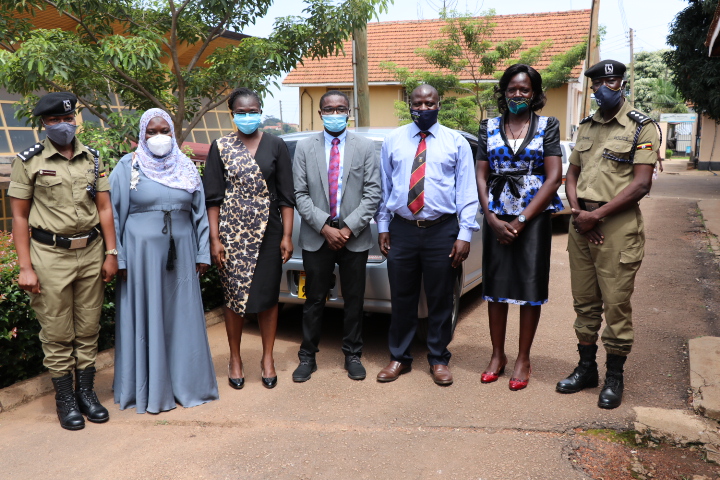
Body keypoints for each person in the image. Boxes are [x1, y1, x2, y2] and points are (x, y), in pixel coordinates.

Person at [9, 92, 118, 430]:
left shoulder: (94, 159)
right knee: (56, 331)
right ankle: (65, 399)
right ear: (44, 124)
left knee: (88, 328)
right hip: (49, 255)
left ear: (75, 120)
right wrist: (26, 267)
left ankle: (86, 394)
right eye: (53, 120)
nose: (61, 125)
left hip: (91, 253)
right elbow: (19, 218)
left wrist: (112, 253)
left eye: (66, 119)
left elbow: (104, 209)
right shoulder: (28, 160)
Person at [555, 60, 659, 409]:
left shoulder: (641, 127)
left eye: (610, 81)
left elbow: (641, 183)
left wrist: (596, 215)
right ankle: (587, 369)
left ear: (622, 84)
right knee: (584, 302)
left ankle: (614, 376)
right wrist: (578, 212)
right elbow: (571, 174)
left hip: (616, 226)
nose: (603, 87)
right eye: (597, 82)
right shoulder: (586, 126)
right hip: (582, 220)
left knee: (615, 304)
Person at [111, 108, 218, 413]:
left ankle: (187, 386)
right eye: (151, 131)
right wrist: (118, 257)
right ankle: (147, 389)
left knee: (181, 318)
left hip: (182, 254)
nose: (159, 137)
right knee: (146, 317)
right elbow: (113, 215)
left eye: (164, 131)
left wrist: (202, 253)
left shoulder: (186, 168)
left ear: (173, 132)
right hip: (140, 258)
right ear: (142, 135)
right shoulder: (126, 166)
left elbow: (200, 214)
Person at [376, 84, 479, 386]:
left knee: (440, 299)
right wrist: (383, 226)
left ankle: (438, 358)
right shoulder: (393, 141)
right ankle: (399, 358)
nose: (423, 108)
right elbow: (385, 187)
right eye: (417, 103)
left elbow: (467, 191)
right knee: (402, 298)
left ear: (439, 104)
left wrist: (465, 233)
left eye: (429, 103)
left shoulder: (455, 142)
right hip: (403, 230)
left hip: (441, 230)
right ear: (409, 104)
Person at [475, 64, 563, 391]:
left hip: (534, 219)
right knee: (496, 289)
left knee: (529, 289)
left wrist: (522, 219)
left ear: (535, 94)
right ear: (504, 91)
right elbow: (481, 174)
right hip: (496, 216)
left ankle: (523, 358)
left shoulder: (547, 126)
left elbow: (553, 177)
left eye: (524, 89)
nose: (517, 95)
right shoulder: (488, 127)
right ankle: (497, 355)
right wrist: (492, 217)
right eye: (512, 88)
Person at [203, 88, 295, 389]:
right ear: (232, 114)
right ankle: (235, 358)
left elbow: (286, 196)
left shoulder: (276, 145)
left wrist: (287, 235)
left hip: (269, 231)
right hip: (231, 233)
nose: (247, 116)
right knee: (234, 297)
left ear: (260, 111)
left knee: (268, 297)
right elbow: (213, 198)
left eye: (252, 110)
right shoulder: (220, 146)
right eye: (241, 112)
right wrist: (215, 240)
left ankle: (267, 358)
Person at [291, 90, 381, 382]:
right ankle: (307, 357)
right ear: (320, 114)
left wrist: (346, 229)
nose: (335, 114)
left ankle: (352, 355)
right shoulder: (305, 147)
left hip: (353, 236)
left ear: (348, 112)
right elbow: (299, 194)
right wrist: (325, 227)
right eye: (329, 110)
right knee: (314, 298)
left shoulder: (365, 147)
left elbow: (373, 193)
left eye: (340, 109)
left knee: (354, 299)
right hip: (318, 235)